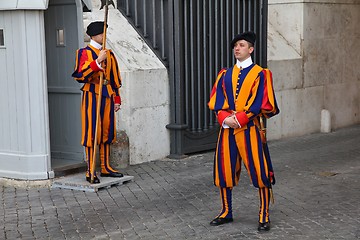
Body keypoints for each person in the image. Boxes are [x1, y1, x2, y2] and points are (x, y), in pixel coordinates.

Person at [208, 31, 279, 231]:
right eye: (235, 46)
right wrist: (224, 118)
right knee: (224, 171)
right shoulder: (225, 74)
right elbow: (217, 101)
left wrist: (237, 119)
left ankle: (264, 214)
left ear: (251, 49)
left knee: (260, 171)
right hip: (227, 131)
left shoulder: (261, 74)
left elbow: (260, 102)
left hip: (251, 130)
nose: (236, 49)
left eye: (241, 45)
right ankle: (226, 211)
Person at [72, 21, 124, 184]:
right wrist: (96, 62)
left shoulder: (109, 53)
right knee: (92, 131)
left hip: (107, 95)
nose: (104, 36)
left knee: (107, 131)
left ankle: (106, 167)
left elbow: (114, 78)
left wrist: (116, 99)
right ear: (93, 35)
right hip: (92, 94)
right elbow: (80, 75)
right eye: (102, 33)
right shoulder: (83, 52)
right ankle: (90, 171)